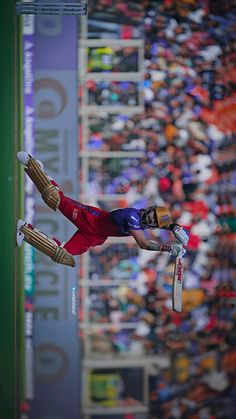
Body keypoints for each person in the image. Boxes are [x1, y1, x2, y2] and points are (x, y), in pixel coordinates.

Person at [16, 151, 189, 267]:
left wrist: (175, 228)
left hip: (95, 235)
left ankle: (25, 230)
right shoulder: (133, 217)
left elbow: (163, 223)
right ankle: (35, 166)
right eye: (152, 216)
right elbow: (143, 244)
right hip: (90, 217)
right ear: (149, 209)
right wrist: (166, 248)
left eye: (154, 221)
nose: (151, 220)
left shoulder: (146, 223)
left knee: (63, 255)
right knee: (54, 198)